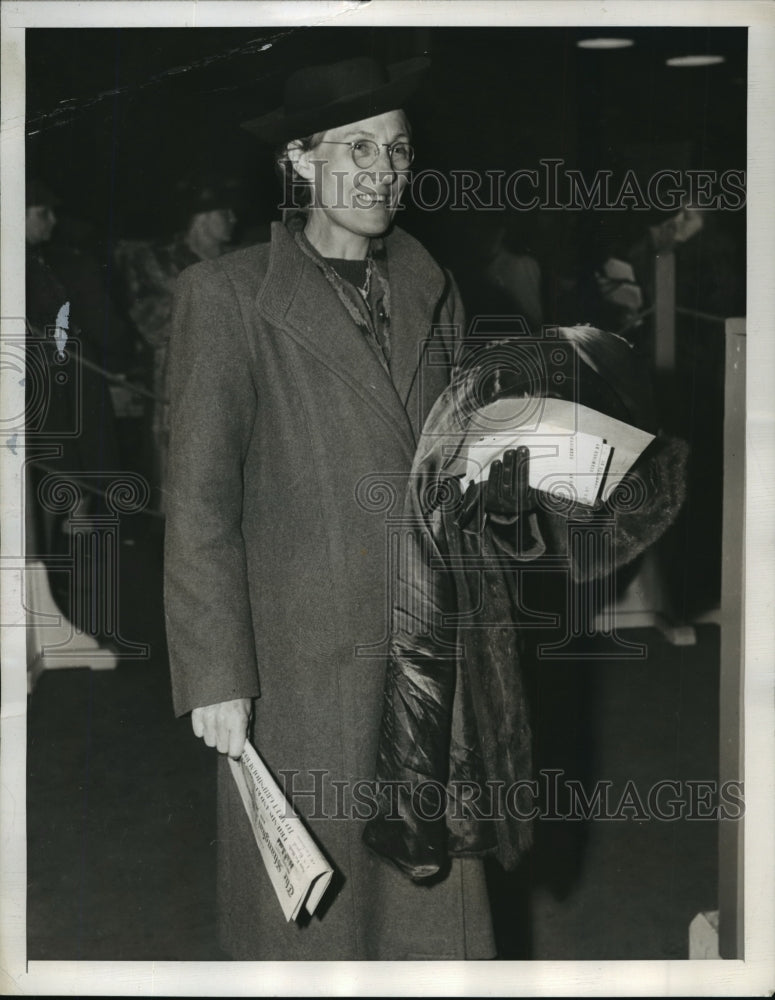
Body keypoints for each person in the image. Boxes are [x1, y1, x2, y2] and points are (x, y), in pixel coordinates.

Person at [163, 56, 497, 960]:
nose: (382, 170)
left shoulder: (433, 288)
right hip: (299, 664)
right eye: (356, 147)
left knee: (428, 912)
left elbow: (451, 456)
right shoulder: (226, 298)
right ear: (300, 161)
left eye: (397, 149)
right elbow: (197, 502)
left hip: (424, 654)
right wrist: (216, 675)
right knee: (311, 925)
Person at [114, 177, 238, 506]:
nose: (233, 219)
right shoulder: (158, 261)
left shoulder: (238, 262)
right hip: (176, 373)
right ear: (202, 219)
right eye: (225, 212)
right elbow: (146, 316)